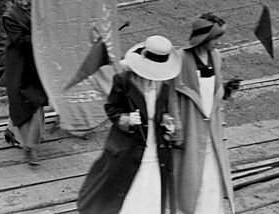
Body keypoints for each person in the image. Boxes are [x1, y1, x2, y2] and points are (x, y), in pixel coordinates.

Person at [77, 35, 182, 214]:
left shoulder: (163, 85)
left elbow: (160, 110)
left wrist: (165, 120)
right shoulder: (123, 81)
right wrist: (125, 119)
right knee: (124, 188)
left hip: (154, 147)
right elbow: (112, 108)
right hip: (127, 147)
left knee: (151, 186)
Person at [172, 14, 238, 214]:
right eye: (216, 38)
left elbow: (213, 90)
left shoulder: (216, 57)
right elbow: (172, 96)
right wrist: (176, 129)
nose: (219, 42)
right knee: (191, 177)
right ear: (204, 38)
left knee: (212, 174)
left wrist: (226, 90)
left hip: (212, 129)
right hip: (191, 127)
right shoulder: (181, 58)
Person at [1, 0, 48, 166]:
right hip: (20, 63)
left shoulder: (40, 9)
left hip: (38, 62)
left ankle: (13, 130)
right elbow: (20, 41)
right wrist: (44, 34)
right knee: (28, 100)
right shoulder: (9, 16)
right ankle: (31, 146)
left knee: (34, 100)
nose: (26, 2)